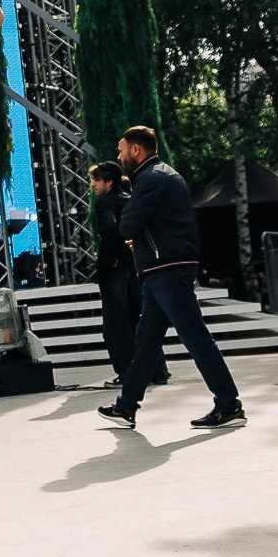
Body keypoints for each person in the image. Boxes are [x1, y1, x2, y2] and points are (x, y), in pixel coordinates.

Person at [98, 126, 245, 432]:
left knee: (195, 336)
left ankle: (229, 404)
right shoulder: (163, 175)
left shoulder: (150, 179)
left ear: (137, 150)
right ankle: (126, 406)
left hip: (166, 267)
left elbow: (127, 224)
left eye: (122, 149)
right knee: (147, 340)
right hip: (164, 266)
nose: (119, 155)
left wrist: (133, 233)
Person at [89, 162, 163, 389]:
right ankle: (158, 370)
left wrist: (107, 259)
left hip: (115, 269)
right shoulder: (131, 200)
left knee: (116, 324)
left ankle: (127, 372)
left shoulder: (104, 203)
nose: (92, 184)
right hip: (136, 266)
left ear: (108, 181)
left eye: (96, 179)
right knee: (140, 320)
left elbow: (111, 230)